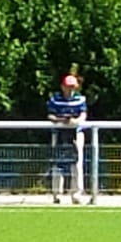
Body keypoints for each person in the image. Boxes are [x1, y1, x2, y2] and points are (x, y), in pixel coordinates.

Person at [46, 72, 88, 204]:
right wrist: (61, 120)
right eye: (68, 86)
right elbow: (50, 115)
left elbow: (83, 115)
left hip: (76, 134)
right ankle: (56, 194)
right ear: (62, 87)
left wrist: (74, 121)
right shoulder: (55, 99)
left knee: (77, 164)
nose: (70, 89)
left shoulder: (80, 99)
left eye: (72, 87)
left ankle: (76, 194)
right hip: (58, 134)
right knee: (57, 163)